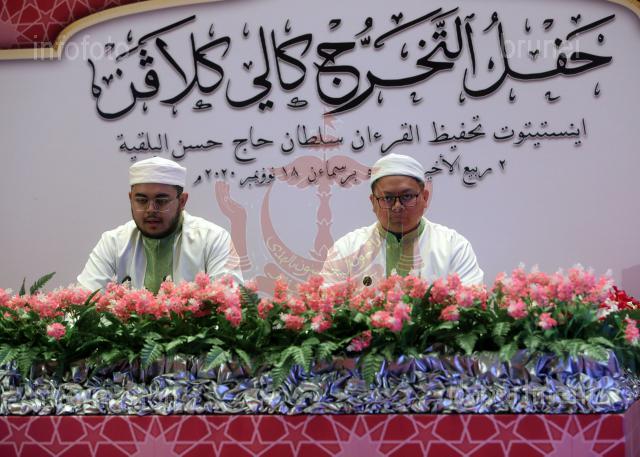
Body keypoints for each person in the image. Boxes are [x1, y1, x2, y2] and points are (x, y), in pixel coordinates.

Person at [78, 157, 242, 292]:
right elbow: (82, 305)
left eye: (161, 201)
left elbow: (229, 304)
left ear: (182, 201)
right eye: (141, 200)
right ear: (131, 199)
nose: (151, 209)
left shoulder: (213, 239)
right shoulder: (113, 242)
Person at [321, 153, 483, 286]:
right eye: (387, 198)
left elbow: (471, 307)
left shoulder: (454, 247)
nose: (397, 206)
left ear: (425, 198)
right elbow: (327, 306)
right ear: (373, 202)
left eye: (407, 196)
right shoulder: (346, 249)